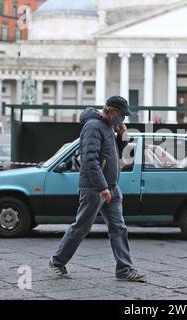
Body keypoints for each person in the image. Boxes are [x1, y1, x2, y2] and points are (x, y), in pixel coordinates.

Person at [49, 96, 146, 282]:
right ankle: (57, 261)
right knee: (81, 227)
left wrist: (121, 136)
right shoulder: (93, 127)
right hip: (94, 187)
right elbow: (90, 160)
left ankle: (124, 269)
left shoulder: (108, 126)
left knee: (119, 227)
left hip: (111, 186)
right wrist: (102, 187)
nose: (123, 119)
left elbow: (112, 153)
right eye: (122, 115)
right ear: (112, 112)